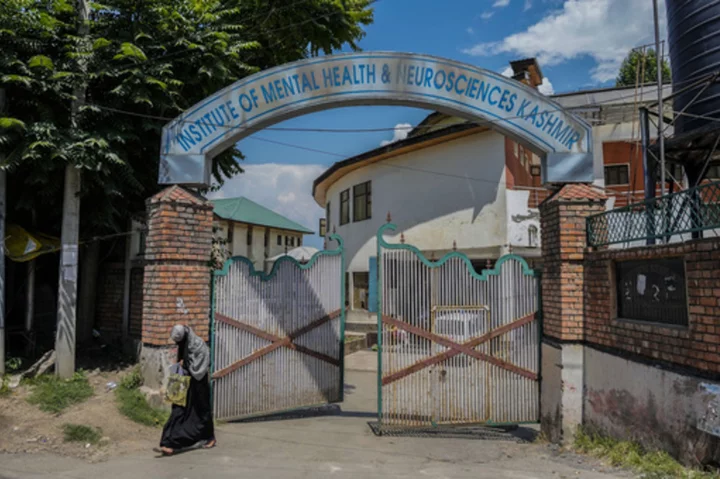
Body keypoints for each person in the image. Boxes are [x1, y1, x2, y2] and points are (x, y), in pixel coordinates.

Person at [157, 324, 216, 455]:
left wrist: (188, 365)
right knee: (178, 409)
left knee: (202, 409)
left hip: (199, 383)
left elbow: (203, 363)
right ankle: (169, 442)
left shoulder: (198, 344)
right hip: (184, 382)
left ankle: (209, 437)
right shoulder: (184, 343)